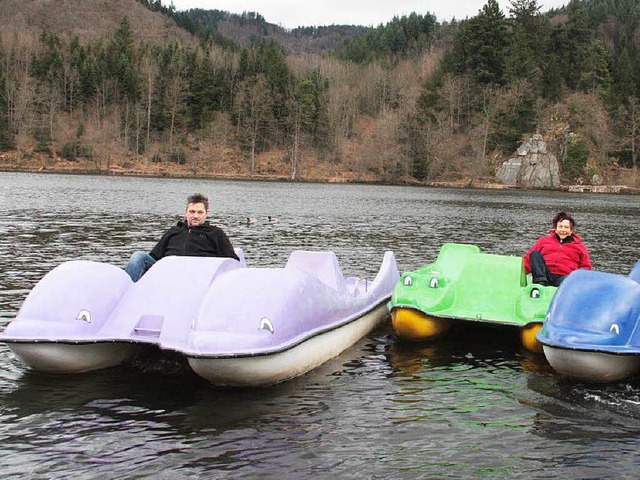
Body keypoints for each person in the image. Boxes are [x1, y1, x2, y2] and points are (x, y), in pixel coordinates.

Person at [124, 193, 239, 281]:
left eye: (200, 212)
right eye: (192, 211)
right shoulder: (174, 231)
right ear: (186, 212)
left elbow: (233, 261)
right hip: (168, 271)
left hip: (196, 274)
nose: (195, 216)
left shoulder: (215, 233)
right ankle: (126, 290)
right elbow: (154, 256)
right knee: (138, 256)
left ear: (206, 213)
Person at [523, 211, 592, 287]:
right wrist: (518, 273)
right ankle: (540, 284)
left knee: (567, 281)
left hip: (564, 277)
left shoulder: (580, 247)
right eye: (560, 227)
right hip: (545, 275)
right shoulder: (543, 241)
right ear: (555, 229)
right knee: (534, 254)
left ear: (571, 231)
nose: (563, 230)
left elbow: (586, 267)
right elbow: (527, 260)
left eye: (566, 227)